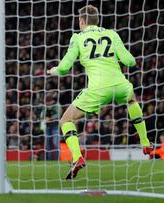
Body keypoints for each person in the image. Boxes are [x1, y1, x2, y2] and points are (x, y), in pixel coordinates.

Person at [47, 5, 152, 180]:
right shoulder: (112, 34)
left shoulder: (78, 38)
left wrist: (54, 70)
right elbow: (130, 61)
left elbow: (65, 68)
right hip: (120, 84)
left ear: (81, 21)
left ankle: (76, 157)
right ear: (98, 20)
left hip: (98, 89)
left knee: (66, 120)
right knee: (132, 100)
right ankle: (145, 142)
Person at [40, 94, 62, 160]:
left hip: (55, 126)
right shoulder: (45, 106)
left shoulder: (57, 105)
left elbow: (59, 114)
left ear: (51, 101)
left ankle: (57, 159)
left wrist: (51, 118)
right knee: (47, 144)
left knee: (56, 143)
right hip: (48, 126)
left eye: (47, 102)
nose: (46, 103)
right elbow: (42, 115)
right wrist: (44, 117)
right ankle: (49, 159)